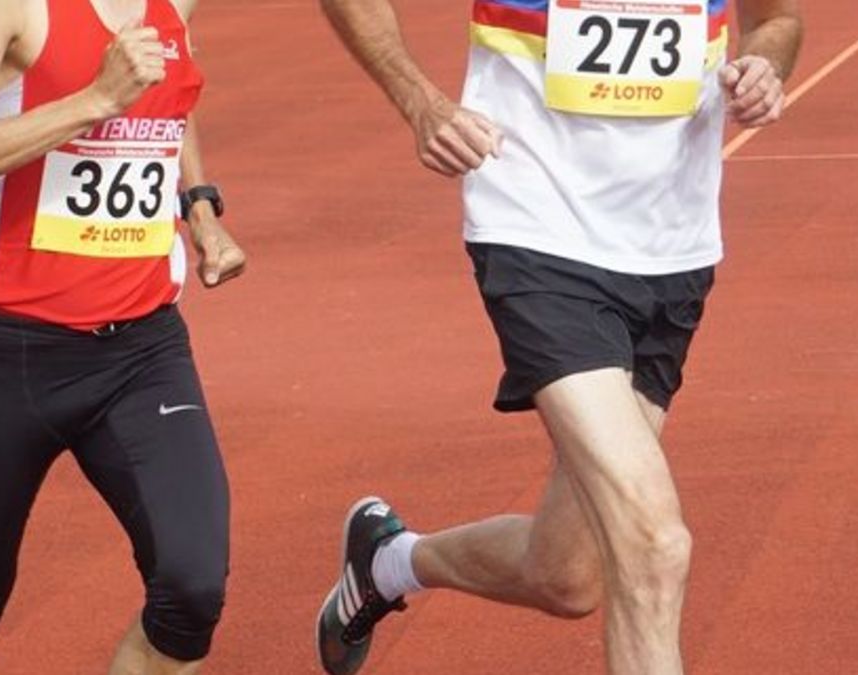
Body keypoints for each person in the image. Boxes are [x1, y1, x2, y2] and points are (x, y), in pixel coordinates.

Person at [315, 1, 801, 673]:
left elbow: (778, 20)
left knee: (568, 574)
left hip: (672, 249)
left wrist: (765, 68)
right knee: (654, 544)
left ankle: (389, 561)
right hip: (537, 231)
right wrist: (420, 101)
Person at [0, 0, 245, 672]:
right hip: (7, 359)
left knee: (191, 591)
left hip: (143, 352)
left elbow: (167, 97)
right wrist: (94, 100)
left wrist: (198, 205)